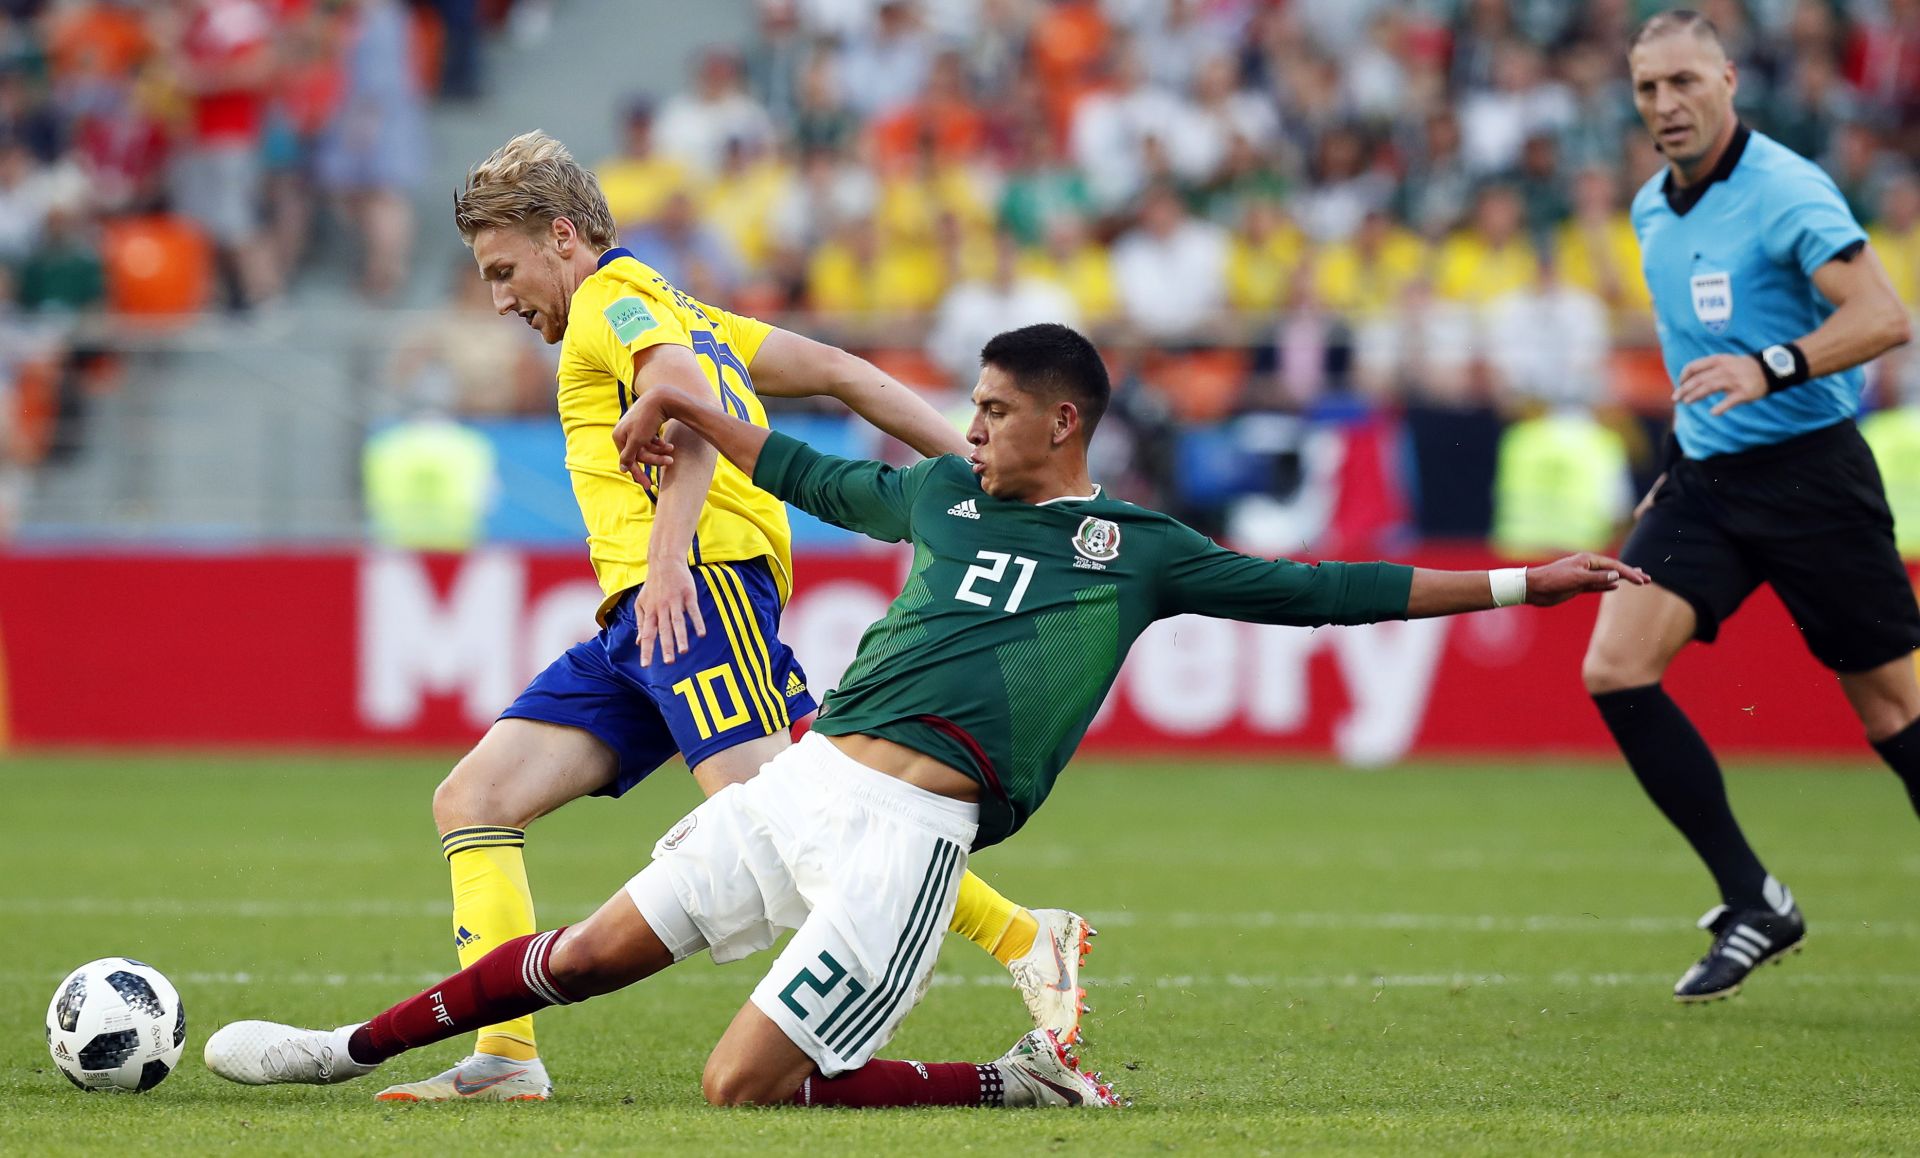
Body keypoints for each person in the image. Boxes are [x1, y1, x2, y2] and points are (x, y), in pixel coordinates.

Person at [204, 323, 1645, 1109]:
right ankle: (347, 1049)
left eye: (996, 409)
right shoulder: (939, 495)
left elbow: (1330, 587)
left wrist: (1528, 583)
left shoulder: (1137, 548)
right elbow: (796, 458)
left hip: (906, 839)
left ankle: (1011, 1081)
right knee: (575, 957)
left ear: (1064, 422)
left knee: (739, 1087)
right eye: (968, 406)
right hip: (802, 784)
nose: (967, 429)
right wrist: (682, 404)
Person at [370, 132, 1080, 1103]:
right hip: (639, 624)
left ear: (563, 237)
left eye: (504, 270)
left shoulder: (612, 306)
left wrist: (667, 565)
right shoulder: (678, 306)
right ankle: (507, 1056)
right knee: (477, 799)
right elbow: (839, 369)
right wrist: (976, 477)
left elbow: (687, 401)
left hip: (695, 594)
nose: (500, 298)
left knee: (793, 820)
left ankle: (1021, 933)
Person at [1581, 11, 1919, 1005]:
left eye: (1684, 81)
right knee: (1613, 668)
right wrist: (1676, 462)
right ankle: (1755, 900)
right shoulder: (1650, 207)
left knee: (1894, 710)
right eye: (1648, 89)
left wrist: (1773, 367)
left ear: (1729, 79)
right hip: (1708, 481)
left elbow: (1884, 315)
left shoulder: (1785, 188)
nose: (1666, 105)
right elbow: (1696, 361)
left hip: (1812, 476)